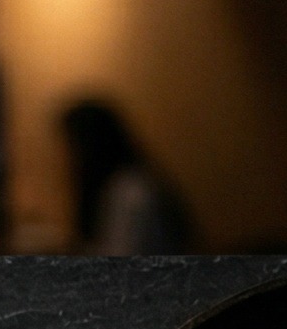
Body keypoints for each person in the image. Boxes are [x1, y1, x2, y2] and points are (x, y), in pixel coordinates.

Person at [60, 99, 191, 256]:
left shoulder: (130, 191)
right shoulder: (125, 184)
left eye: (72, 145)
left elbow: (121, 260)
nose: (67, 157)